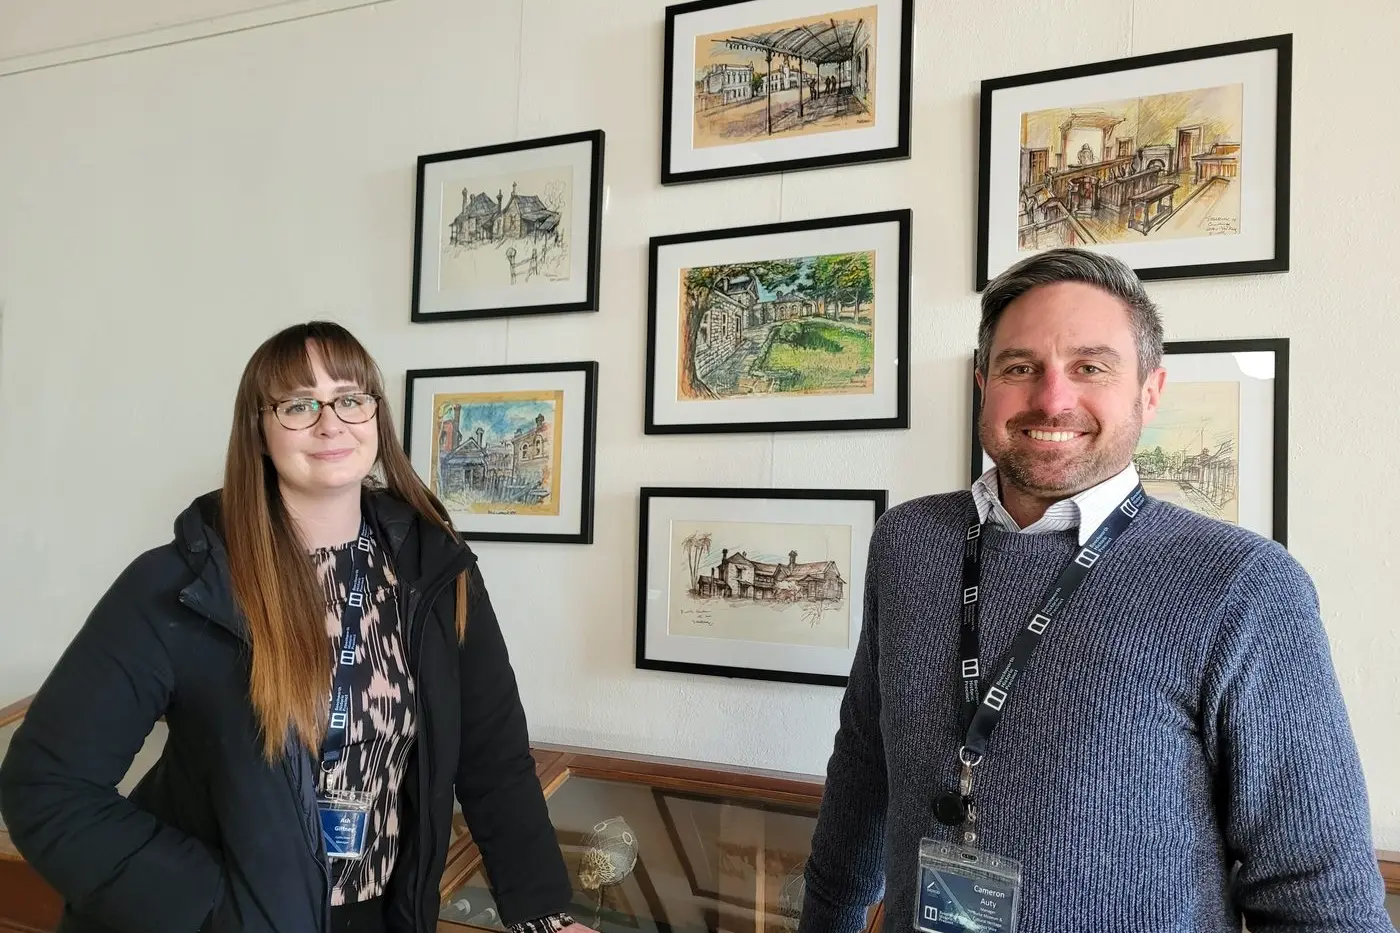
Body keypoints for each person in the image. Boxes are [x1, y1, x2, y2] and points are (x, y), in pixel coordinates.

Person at [798, 249, 1392, 932]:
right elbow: (863, 767)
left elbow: (1321, 900)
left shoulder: (1245, 586)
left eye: (1090, 367)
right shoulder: (908, 541)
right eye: (1021, 367)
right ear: (982, 383)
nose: (1052, 398)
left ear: (1150, 390)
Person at [0, 322, 594, 933]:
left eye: (350, 399)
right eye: (298, 405)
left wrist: (542, 915)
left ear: (375, 417)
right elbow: (45, 785)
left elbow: (492, 757)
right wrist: (212, 910)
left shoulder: (435, 570)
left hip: (382, 916)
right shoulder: (183, 582)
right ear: (258, 431)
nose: (330, 423)